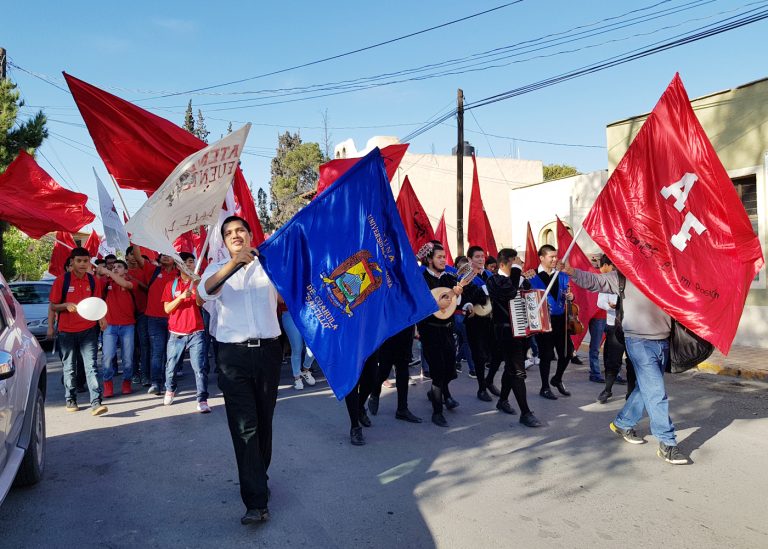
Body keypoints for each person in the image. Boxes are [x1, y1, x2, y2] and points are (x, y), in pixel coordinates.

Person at [559, 260, 690, 465]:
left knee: (645, 388)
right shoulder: (624, 274)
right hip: (638, 340)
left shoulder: (668, 271)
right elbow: (595, 281)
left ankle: (623, 422)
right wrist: (572, 271)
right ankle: (667, 442)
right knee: (656, 390)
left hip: (663, 340)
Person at [199, 216, 282, 524]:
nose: (235, 235)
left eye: (240, 230)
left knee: (264, 421)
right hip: (232, 357)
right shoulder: (215, 268)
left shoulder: (269, 264)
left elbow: (288, 297)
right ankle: (256, 501)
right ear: (223, 240)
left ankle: (259, 476)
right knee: (245, 426)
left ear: (249, 234)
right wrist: (233, 264)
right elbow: (204, 292)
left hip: (268, 353)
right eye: (229, 232)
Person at [486, 249, 543, 428]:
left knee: (511, 369)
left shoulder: (519, 278)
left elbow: (530, 297)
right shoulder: (494, 280)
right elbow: (509, 292)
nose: (518, 266)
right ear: (503, 264)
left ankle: (502, 400)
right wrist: (517, 270)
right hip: (504, 333)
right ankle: (525, 413)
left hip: (521, 332)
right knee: (518, 371)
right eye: (514, 263)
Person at [48, 247, 108, 416]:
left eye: (86, 261)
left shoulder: (93, 281)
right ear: (72, 262)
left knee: (91, 367)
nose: (82, 264)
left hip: (88, 330)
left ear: (89, 262)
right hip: (66, 332)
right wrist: (65, 306)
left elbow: (97, 303)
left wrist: (102, 317)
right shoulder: (62, 280)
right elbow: (53, 305)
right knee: (70, 368)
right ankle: (71, 399)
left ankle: (96, 402)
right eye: (79, 261)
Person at [418, 244, 463, 427]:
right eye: (440, 257)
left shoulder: (450, 277)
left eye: (445, 257)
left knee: (449, 367)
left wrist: (458, 294)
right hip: (430, 329)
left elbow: (454, 304)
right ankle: (437, 412)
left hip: (447, 328)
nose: (444, 260)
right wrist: (436, 305)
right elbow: (420, 304)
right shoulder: (421, 279)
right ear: (430, 259)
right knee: (437, 370)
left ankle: (439, 393)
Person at [162, 252, 211, 413]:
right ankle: (170, 389)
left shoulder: (198, 283)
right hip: (176, 333)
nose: (189, 265)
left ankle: (202, 399)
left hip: (196, 331)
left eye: (191, 262)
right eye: (186, 262)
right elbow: (167, 308)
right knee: (171, 366)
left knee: (200, 368)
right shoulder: (171, 284)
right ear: (178, 265)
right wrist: (181, 297)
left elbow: (201, 303)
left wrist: (197, 287)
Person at [524, 245, 574, 400]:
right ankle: (544, 387)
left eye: (555, 256)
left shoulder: (561, 275)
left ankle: (557, 379)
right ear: (541, 258)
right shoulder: (531, 277)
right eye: (551, 257)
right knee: (546, 355)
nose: (555, 259)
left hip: (561, 320)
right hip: (543, 321)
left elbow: (567, 295)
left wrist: (571, 297)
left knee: (567, 352)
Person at [367, 327, 422, 424]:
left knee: (403, 369)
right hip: (389, 332)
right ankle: (375, 391)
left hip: (406, 330)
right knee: (384, 369)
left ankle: (402, 409)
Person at [462, 246, 495, 402]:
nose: (481, 259)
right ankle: (482, 388)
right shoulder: (466, 277)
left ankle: (489, 380)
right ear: (470, 259)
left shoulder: (489, 274)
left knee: (495, 353)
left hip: (491, 319)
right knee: (479, 356)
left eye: (483, 256)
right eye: (477, 257)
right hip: (475, 321)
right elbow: (468, 297)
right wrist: (484, 290)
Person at [99, 260, 136, 398]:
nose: (115, 269)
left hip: (128, 325)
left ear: (126, 271)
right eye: (113, 267)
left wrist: (107, 271)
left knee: (127, 358)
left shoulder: (131, 281)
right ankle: (108, 384)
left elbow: (125, 284)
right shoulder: (106, 282)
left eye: (119, 267)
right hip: (110, 325)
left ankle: (127, 381)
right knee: (107, 357)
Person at [143, 253, 177, 395]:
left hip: (173, 318)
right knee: (157, 352)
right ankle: (156, 383)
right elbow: (139, 257)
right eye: (162, 254)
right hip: (154, 319)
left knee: (172, 354)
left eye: (169, 255)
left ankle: (170, 383)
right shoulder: (153, 270)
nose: (165, 257)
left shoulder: (180, 274)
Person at [126, 246, 151, 386]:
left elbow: (149, 289)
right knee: (131, 346)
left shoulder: (144, 271)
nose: (134, 257)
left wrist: (135, 282)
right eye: (131, 254)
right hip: (127, 315)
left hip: (143, 313)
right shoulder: (122, 271)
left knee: (144, 344)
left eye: (136, 254)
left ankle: (146, 375)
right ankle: (134, 373)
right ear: (126, 257)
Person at [279, 305, 316, 390]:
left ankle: (305, 370)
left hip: (307, 311)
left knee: (312, 348)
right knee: (296, 348)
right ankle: (297, 378)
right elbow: (280, 300)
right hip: (289, 313)